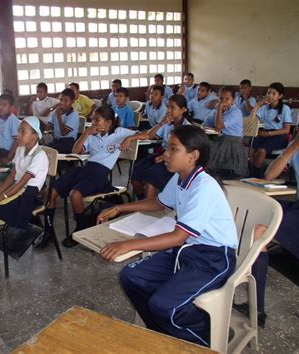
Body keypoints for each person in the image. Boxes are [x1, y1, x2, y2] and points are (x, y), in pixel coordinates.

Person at [98, 125, 238, 347]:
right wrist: (121, 208)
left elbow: (177, 237)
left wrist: (128, 244)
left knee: (164, 305)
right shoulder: (181, 176)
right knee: (130, 277)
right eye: (167, 148)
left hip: (213, 258)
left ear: (193, 156)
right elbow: (159, 202)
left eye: (173, 149)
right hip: (187, 250)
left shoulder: (204, 187)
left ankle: (208, 335)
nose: (166, 154)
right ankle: (162, 329)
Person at [236, 107, 299, 328]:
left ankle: (257, 308)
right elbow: (270, 174)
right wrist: (295, 146)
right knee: (253, 224)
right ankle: (257, 307)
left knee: (261, 231)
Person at [43, 106, 137, 248]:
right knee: (50, 192)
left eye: (97, 120)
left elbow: (148, 134)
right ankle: (48, 231)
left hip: (100, 174)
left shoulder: (119, 133)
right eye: (92, 120)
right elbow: (75, 151)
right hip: (85, 169)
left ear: (109, 122)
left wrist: (130, 137)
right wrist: (86, 133)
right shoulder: (91, 135)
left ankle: (81, 228)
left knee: (75, 195)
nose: (93, 123)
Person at [0, 116, 48, 286]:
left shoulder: (40, 156)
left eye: (22, 131)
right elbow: (12, 176)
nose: (18, 134)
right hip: (15, 191)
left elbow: (22, 183)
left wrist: (3, 197)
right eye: (19, 130)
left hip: (28, 196)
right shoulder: (21, 149)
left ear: (35, 136)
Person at [129, 95, 191, 200]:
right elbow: (150, 135)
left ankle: (148, 207)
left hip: (175, 159)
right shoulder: (168, 123)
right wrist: (161, 123)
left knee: (151, 180)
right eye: (168, 107)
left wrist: (165, 156)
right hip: (162, 154)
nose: (169, 110)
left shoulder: (187, 128)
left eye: (173, 107)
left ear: (183, 109)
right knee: (135, 172)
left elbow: (184, 151)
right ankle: (141, 200)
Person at [249, 82, 292, 178]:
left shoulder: (285, 109)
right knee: (250, 150)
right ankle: (252, 171)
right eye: (268, 93)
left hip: (278, 135)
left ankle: (255, 176)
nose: (270, 96)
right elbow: (251, 121)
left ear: (280, 96)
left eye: (273, 93)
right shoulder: (264, 107)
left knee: (261, 151)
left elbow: (286, 130)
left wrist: (269, 133)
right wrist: (257, 105)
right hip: (263, 133)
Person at [205, 86, 247, 179]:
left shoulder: (236, 112)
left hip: (233, 143)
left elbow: (219, 126)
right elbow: (206, 123)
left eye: (227, 99)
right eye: (221, 98)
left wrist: (219, 108)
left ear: (233, 100)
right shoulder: (219, 111)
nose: (223, 101)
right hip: (220, 139)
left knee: (213, 157)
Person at [47, 88, 79, 153]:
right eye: (61, 100)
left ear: (72, 102)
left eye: (65, 100)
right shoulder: (56, 112)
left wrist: (59, 116)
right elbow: (48, 126)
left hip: (68, 142)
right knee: (44, 148)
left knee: (50, 151)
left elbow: (64, 133)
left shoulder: (73, 114)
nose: (62, 103)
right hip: (57, 140)